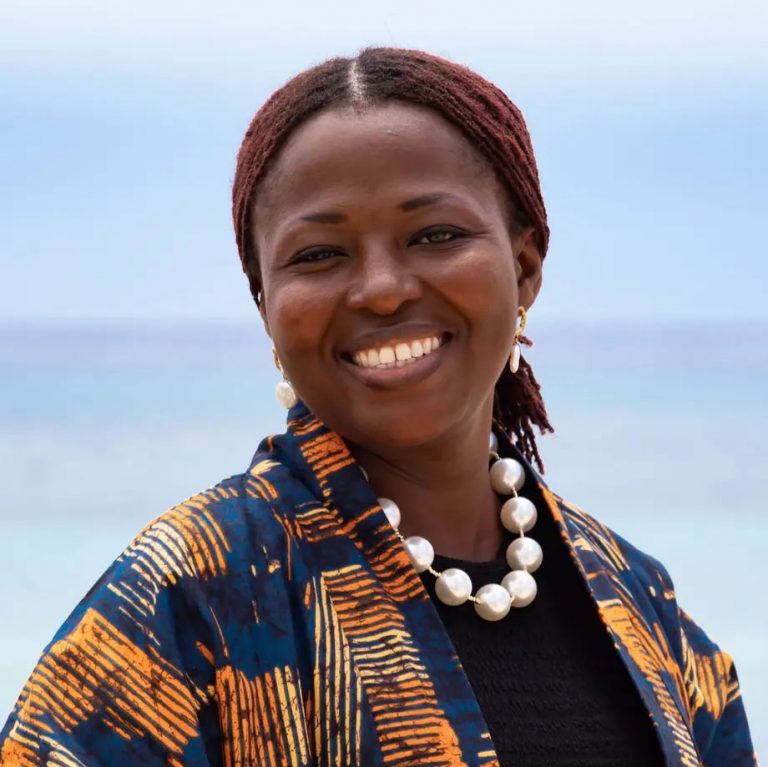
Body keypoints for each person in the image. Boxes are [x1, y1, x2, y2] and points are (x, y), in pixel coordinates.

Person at [0, 47, 757, 767]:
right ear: (265, 304)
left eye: (435, 234)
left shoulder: (643, 606)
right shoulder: (191, 597)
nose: (383, 289)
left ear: (525, 268)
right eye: (319, 254)